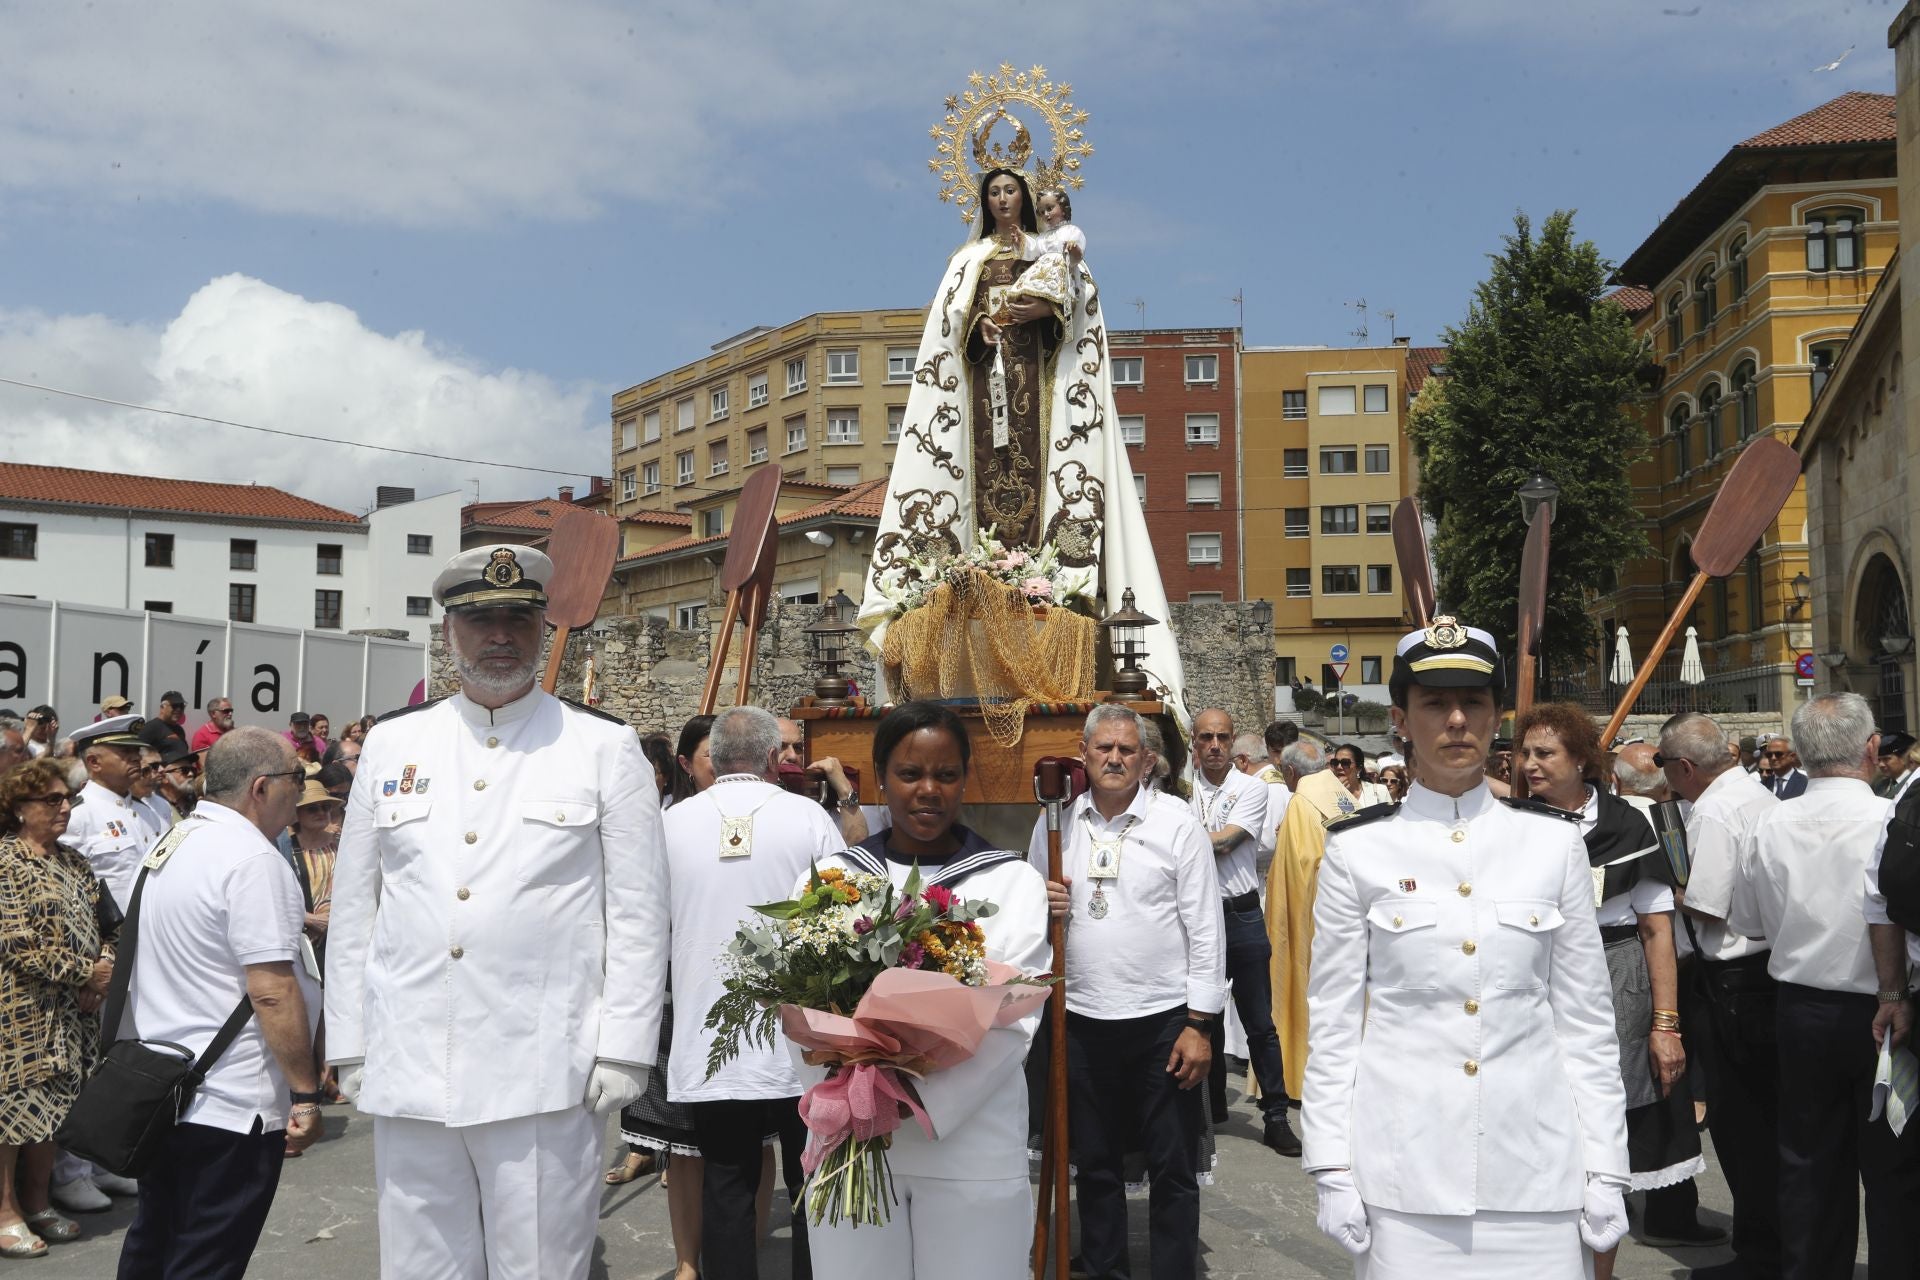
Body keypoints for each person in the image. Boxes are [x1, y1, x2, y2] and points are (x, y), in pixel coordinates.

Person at [325, 544, 667, 1280]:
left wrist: (625, 1047)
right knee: (421, 1267)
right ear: (449, 631)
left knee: (539, 1266)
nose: (500, 635)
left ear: (543, 627)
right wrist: (350, 1042)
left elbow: (638, 912)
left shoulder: (603, 748)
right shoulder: (393, 743)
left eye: (518, 617)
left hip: (546, 1065)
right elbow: (357, 905)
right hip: (414, 1054)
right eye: (480, 620)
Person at [1303, 619, 1629, 1273]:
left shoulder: (1553, 843)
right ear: (1401, 718)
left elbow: (1586, 1021)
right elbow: (1334, 1024)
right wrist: (1331, 1163)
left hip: (1536, 1170)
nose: (1456, 720)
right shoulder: (1357, 851)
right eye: (1434, 703)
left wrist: (1607, 1164)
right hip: (1405, 1175)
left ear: (1496, 714)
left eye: (1474, 703)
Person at [796, 702, 1049, 1278]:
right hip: (854, 1147)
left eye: (947, 774)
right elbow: (800, 1010)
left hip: (970, 1144)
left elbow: (1012, 1021)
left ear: (966, 778)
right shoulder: (833, 881)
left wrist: (911, 1105)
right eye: (910, 774)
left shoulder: (1011, 883)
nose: (928, 790)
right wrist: (851, 1102)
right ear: (881, 776)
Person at [1515, 703, 1720, 1266]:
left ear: (1581, 760)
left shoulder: (1628, 825)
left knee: (1616, 1108)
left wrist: (1666, 1024)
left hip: (1616, 975)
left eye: (1544, 753)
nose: (1530, 764)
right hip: (1536, 974)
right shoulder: (1511, 824)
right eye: (1525, 753)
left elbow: (1657, 931)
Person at [113, 727, 322, 1279]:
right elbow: (273, 989)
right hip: (231, 1100)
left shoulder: (174, 841)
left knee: (155, 1244)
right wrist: (304, 1093)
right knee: (205, 1259)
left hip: (164, 1085)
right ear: (261, 787)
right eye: (295, 779)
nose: (299, 792)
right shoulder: (253, 860)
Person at [1725, 693, 1920, 1276]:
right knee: (1896, 1166)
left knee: (1808, 1162)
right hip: (1891, 1012)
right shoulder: (1893, 819)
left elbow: (1750, 924)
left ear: (1803, 755)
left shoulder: (1768, 822)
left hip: (1802, 1006)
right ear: (1868, 749)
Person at [1032, 703, 1225, 1280]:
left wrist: (1201, 1024)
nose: (1114, 758)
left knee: (1172, 1166)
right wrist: (1044, 904)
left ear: (1146, 760)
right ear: (1084, 754)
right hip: (1082, 1019)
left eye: (1125, 749)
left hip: (1162, 1019)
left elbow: (1206, 928)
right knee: (1094, 1162)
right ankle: (1104, 1267)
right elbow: (1027, 906)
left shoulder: (1176, 823)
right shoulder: (1056, 821)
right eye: (1103, 748)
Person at [665, 707, 835, 1280]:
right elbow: (846, 911)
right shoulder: (807, 817)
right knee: (812, 1184)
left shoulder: (672, 823)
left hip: (711, 1034)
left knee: (728, 1185)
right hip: (800, 1037)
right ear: (771, 759)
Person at [1658, 711, 1781, 1280]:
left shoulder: (1712, 810)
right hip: (1766, 974)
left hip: (1731, 979)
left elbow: (1705, 903)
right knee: (1771, 1123)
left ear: (1685, 766)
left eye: (1664, 765)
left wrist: (1664, 890)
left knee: (1740, 1127)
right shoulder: (1758, 795)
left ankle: (1758, 1253)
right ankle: (1777, 1245)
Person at [0, 758, 114, 1258]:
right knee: (12, 1115)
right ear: (21, 809)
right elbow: (15, 942)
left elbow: (110, 924)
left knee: (55, 1112)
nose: (65, 807)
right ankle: (5, 1212)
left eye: (67, 799)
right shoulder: (6, 862)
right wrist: (84, 973)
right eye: (52, 800)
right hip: (20, 1013)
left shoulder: (74, 861)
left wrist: (104, 967)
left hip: (74, 1015)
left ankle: (38, 1201)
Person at [611, 715, 711, 1280]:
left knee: (746, 1144)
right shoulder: (662, 825)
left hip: (737, 1002)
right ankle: (687, 1261)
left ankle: (733, 1248)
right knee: (679, 1140)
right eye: (707, 755)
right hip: (671, 994)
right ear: (687, 763)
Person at [1189, 709, 1295, 1155]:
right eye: (1206, 737)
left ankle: (1275, 1116)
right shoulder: (1177, 792)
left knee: (1259, 1022)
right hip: (1194, 914)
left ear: (1233, 743)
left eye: (1222, 737)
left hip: (1240, 912)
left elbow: (1229, 841)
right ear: (1194, 742)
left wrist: (1179, 839)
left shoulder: (1251, 788)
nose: (1215, 745)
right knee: (1195, 1016)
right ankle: (1204, 1111)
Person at [1265, 736, 1343, 1102]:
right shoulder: (1341, 794)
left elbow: (1297, 875)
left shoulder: (1301, 802)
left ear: (1291, 772)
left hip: (1318, 919)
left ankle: (1303, 1075)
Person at [62, 715, 156, 935]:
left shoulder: (148, 813)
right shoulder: (76, 815)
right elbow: (67, 892)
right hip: (106, 942)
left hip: (153, 936)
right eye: (125, 753)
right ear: (94, 762)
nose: (136, 759)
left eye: (137, 753)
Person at [776, 715, 868, 842]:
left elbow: (857, 845)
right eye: (781, 746)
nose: (792, 755)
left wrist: (844, 790)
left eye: (798, 748)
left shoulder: (826, 796)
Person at [1328, 742, 1388, 814]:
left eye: (1345, 763)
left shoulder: (1380, 791)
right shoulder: (1327, 794)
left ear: (1359, 768)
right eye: (1335, 762)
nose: (1339, 767)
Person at [1875, 730, 1917, 798]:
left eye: (1886, 759)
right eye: (1879, 760)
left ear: (1904, 758)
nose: (1881, 764)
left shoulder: (1915, 783)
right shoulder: (1880, 786)